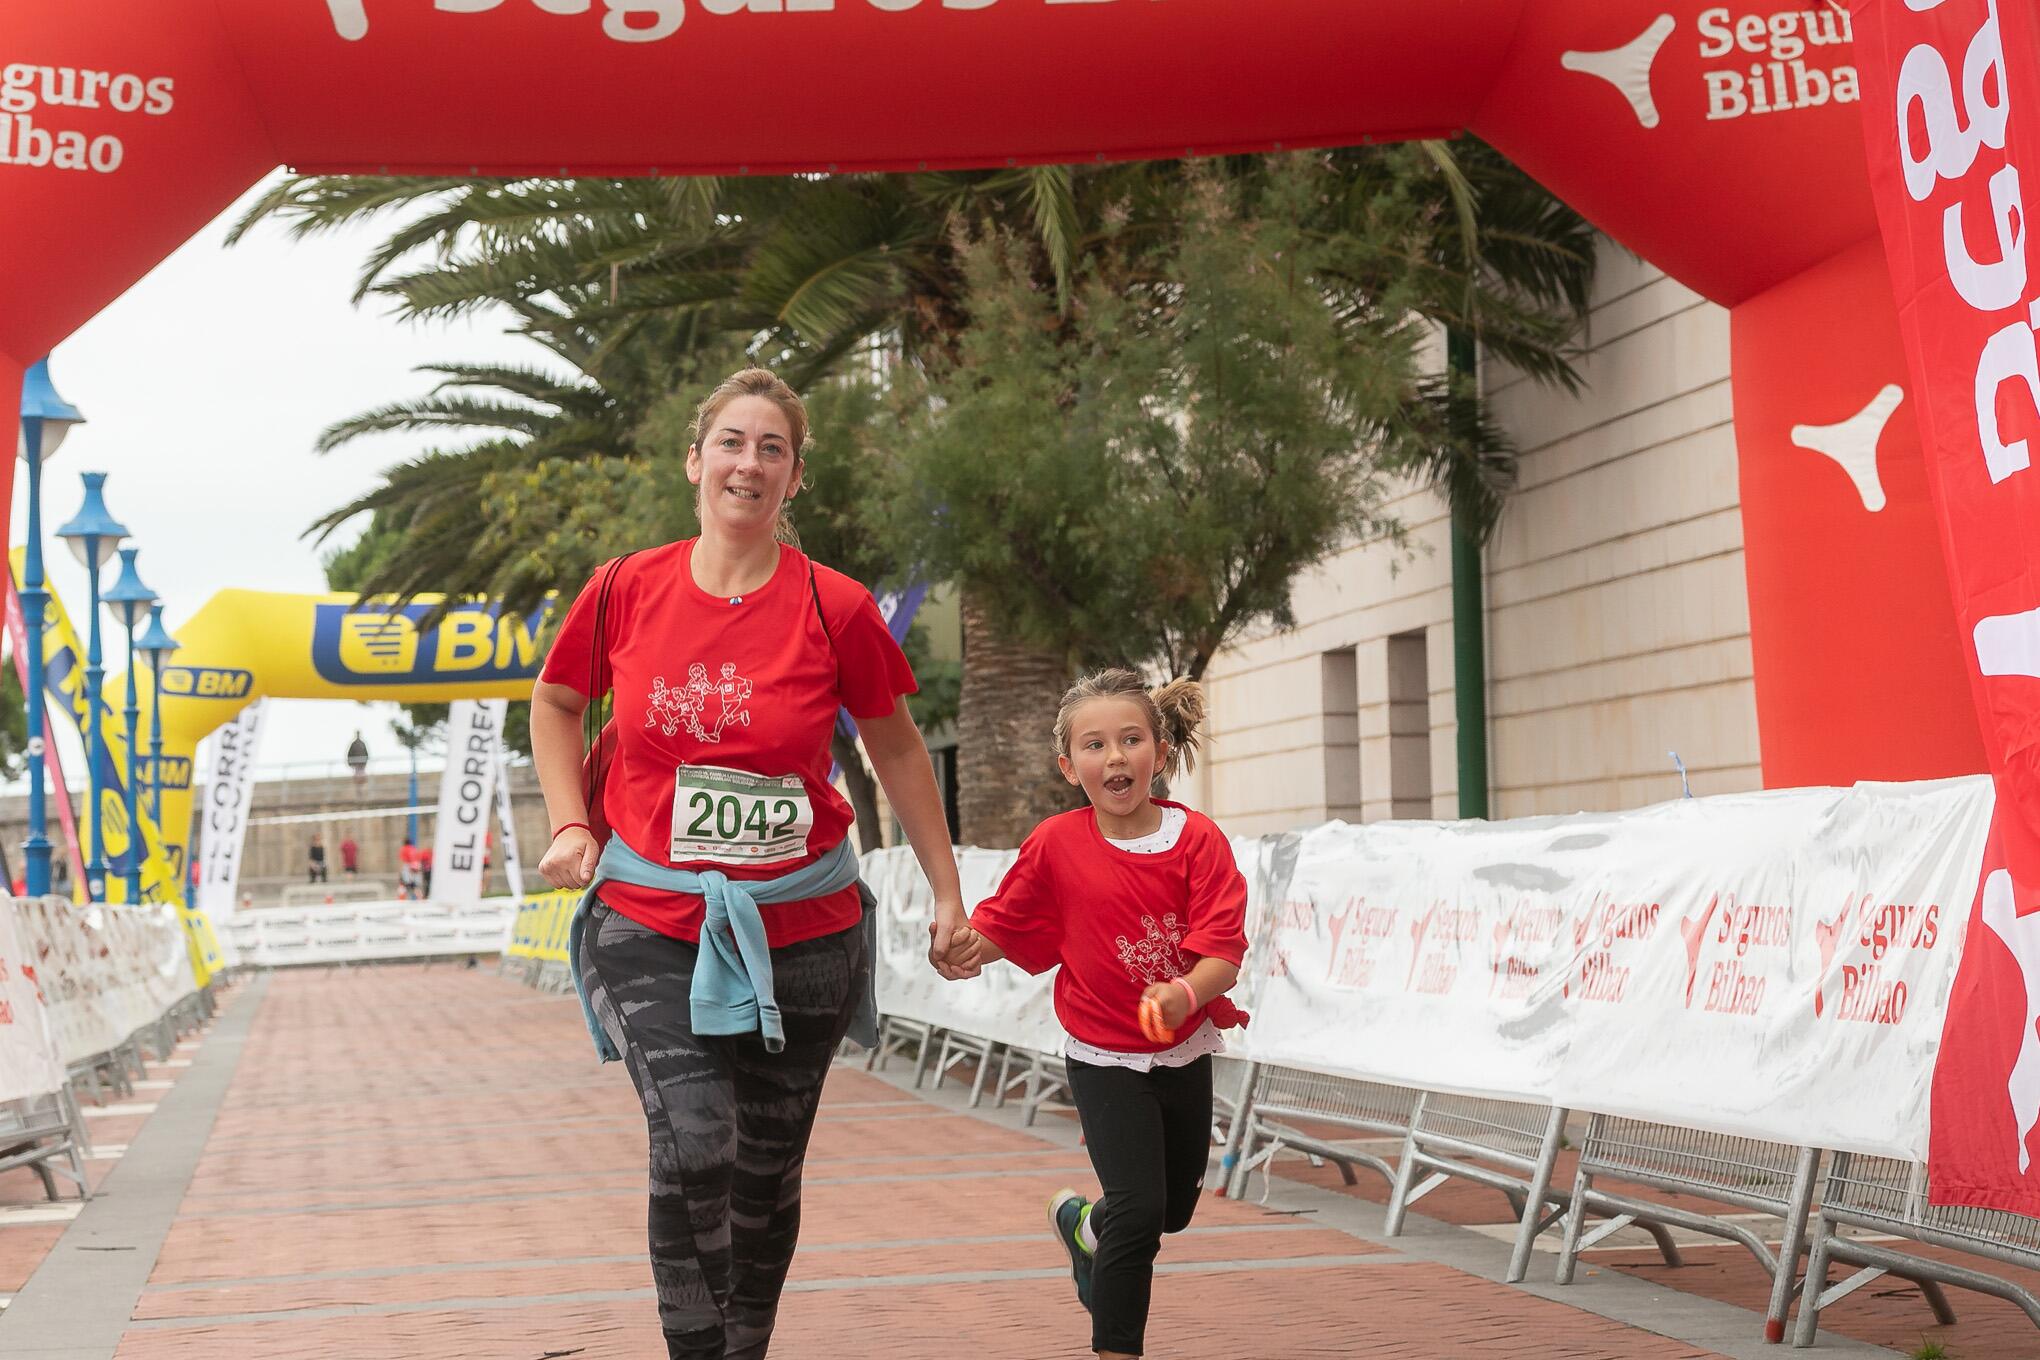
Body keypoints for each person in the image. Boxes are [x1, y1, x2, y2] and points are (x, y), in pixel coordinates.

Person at [531, 367, 971, 1360]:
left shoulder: (835, 605)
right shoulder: (622, 591)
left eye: (772, 448)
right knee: (695, 1136)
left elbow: (894, 745)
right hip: (649, 914)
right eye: (732, 441)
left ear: (794, 479)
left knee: (766, 1176)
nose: (749, 463)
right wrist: (569, 822)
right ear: (696, 461)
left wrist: (947, 892)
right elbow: (557, 701)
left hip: (805, 924)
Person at [947, 669, 1249, 1360]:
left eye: (1131, 740)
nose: (1115, 757)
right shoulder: (1056, 843)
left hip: (1183, 1047)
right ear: (1069, 765)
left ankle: (1087, 1228)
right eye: (1095, 745)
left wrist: (1183, 992)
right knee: (1141, 1214)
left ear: (1161, 752)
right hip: (1101, 1052)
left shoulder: (1200, 841)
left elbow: (1223, 953)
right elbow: (1010, 923)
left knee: (1170, 1211)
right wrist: (967, 950)